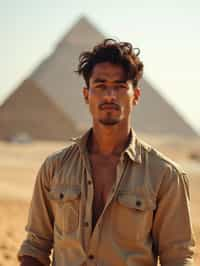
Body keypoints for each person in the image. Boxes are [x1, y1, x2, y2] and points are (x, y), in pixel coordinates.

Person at [18, 39, 195, 266]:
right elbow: (35, 247)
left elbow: (177, 258)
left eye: (120, 86)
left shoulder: (165, 175)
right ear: (86, 94)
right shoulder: (54, 168)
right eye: (100, 85)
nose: (110, 95)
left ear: (136, 96)